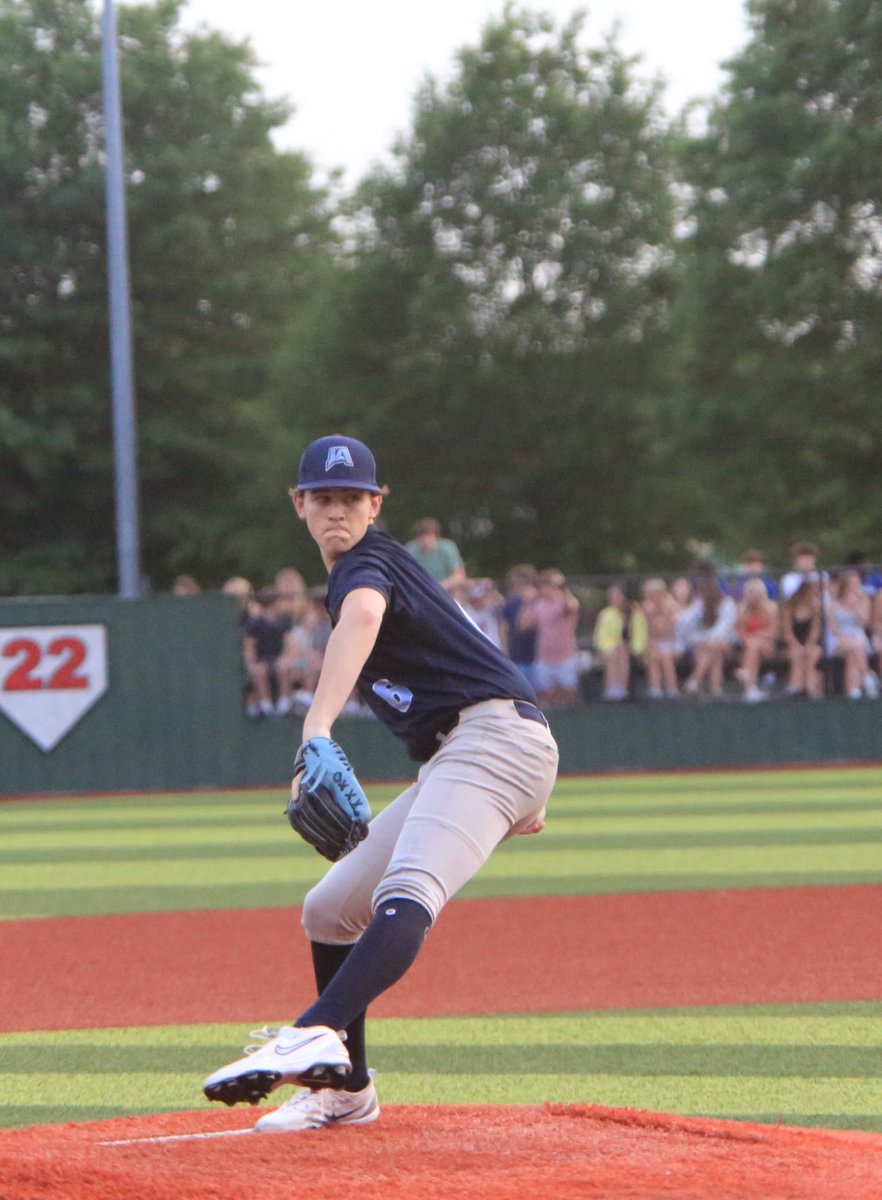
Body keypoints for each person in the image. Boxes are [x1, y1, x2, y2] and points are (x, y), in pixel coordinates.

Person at [203, 435, 558, 1131]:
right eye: (324, 498)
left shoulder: (365, 567)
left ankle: (317, 1028)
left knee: (407, 889)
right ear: (299, 504)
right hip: (477, 746)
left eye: (352, 498)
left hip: (492, 740)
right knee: (330, 906)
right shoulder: (383, 567)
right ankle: (348, 1090)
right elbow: (473, 653)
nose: (338, 510)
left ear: (376, 504)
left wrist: (318, 726)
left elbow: (364, 616)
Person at [517, 568, 582, 707]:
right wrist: (529, 602)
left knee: (569, 694)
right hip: (544, 658)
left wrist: (562, 589)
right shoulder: (539, 605)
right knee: (547, 696)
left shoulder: (564, 603)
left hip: (565, 656)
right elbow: (523, 625)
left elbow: (573, 606)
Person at [677, 567, 738, 698]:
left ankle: (694, 681)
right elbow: (685, 625)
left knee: (714, 647)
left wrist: (708, 640)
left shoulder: (727, 603)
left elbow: (724, 628)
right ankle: (716, 690)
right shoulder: (699, 604)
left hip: (726, 643)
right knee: (715, 654)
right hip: (704, 645)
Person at [592, 582, 648, 701]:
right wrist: (612, 647)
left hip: (630, 652)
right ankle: (612, 689)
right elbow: (601, 636)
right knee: (614, 654)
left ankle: (622, 688)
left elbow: (640, 634)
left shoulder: (636, 613)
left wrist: (635, 649)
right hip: (610, 650)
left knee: (623, 651)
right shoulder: (606, 614)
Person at [830, 568, 879, 699]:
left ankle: (854, 692)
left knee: (852, 656)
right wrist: (844, 638)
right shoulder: (834, 602)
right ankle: (868, 677)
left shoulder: (864, 599)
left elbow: (863, 624)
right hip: (838, 638)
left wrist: (855, 607)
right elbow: (832, 627)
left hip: (857, 635)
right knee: (855, 646)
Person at [734, 577, 779, 702]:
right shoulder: (742, 608)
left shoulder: (771, 607)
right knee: (752, 646)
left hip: (767, 645)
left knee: (754, 644)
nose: (753, 596)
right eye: (751, 593)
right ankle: (751, 688)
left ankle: (746, 674)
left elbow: (773, 631)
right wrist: (749, 638)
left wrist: (756, 635)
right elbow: (739, 631)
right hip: (748, 645)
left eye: (756, 593)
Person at [780, 578, 824, 699]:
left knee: (813, 653)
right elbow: (787, 632)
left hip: (810, 643)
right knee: (796, 654)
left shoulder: (816, 609)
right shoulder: (789, 608)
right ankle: (796, 687)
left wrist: (808, 645)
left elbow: (815, 631)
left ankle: (810, 689)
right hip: (794, 643)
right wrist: (796, 645)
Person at [640, 577, 681, 698]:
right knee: (653, 654)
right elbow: (651, 629)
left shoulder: (672, 606)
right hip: (655, 642)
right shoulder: (647, 607)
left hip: (673, 641)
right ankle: (655, 688)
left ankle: (672, 688)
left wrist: (662, 621)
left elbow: (671, 629)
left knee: (666, 657)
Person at [498, 564, 539, 687]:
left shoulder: (539, 600)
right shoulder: (511, 602)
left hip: (536, 655)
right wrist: (505, 651)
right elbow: (504, 627)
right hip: (516, 655)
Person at [404, 518, 466, 590]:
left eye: (429, 536)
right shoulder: (411, 549)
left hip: (447, 590)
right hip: (420, 590)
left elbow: (459, 576)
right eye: (422, 537)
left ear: (435, 536)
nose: (426, 540)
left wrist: (438, 587)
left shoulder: (447, 548)